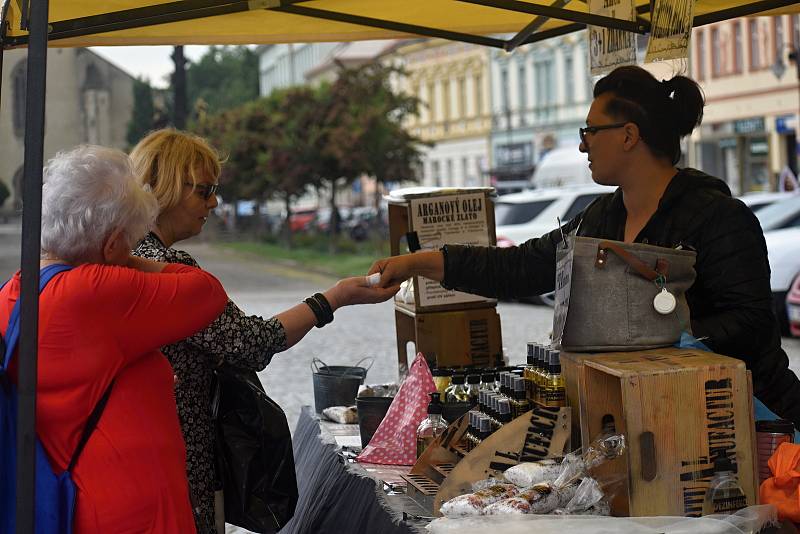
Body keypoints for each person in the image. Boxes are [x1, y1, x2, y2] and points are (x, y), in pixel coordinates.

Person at [370, 65, 800, 429]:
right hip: (664, 419)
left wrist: (666, 343)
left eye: (591, 131)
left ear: (629, 135)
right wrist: (422, 262)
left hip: (753, 420)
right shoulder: (602, 218)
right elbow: (523, 267)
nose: (582, 144)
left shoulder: (719, 217)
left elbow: (752, 323)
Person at [129, 128, 399, 534]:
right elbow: (251, 342)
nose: (214, 202)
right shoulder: (167, 269)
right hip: (178, 459)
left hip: (143, 454)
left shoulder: (129, 257)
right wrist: (333, 298)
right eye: (204, 191)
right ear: (164, 188)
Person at [0, 145, 230, 533]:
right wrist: (126, 258)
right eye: (131, 239)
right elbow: (206, 293)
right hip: (122, 514)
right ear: (112, 243)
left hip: (76, 502)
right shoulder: (94, 291)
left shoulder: (14, 292)